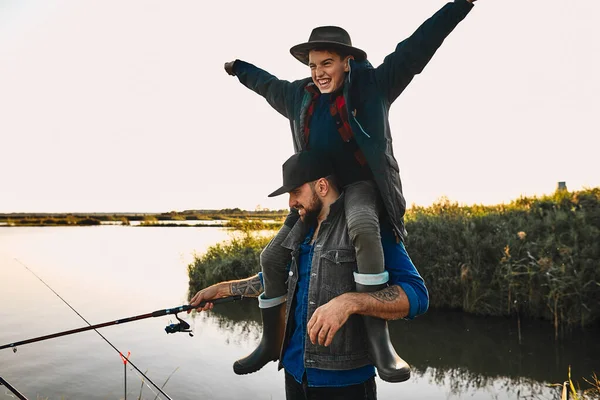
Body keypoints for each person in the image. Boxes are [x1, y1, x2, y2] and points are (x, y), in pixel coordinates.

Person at [222, 0, 476, 381]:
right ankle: (271, 341)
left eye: (327, 63)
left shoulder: (374, 86)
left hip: (360, 187)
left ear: (346, 62)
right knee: (273, 255)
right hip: (319, 193)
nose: (319, 73)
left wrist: (460, 5)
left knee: (361, 225)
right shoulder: (299, 98)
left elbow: (418, 46)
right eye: (313, 65)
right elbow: (266, 85)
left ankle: (380, 343)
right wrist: (239, 69)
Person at [190, 151, 429, 398]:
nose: (291, 203)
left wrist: (349, 303)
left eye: (295, 192)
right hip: (295, 374)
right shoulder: (302, 230)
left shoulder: (371, 229)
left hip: (345, 384)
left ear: (322, 186)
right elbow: (283, 281)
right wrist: (222, 289)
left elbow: (417, 295)